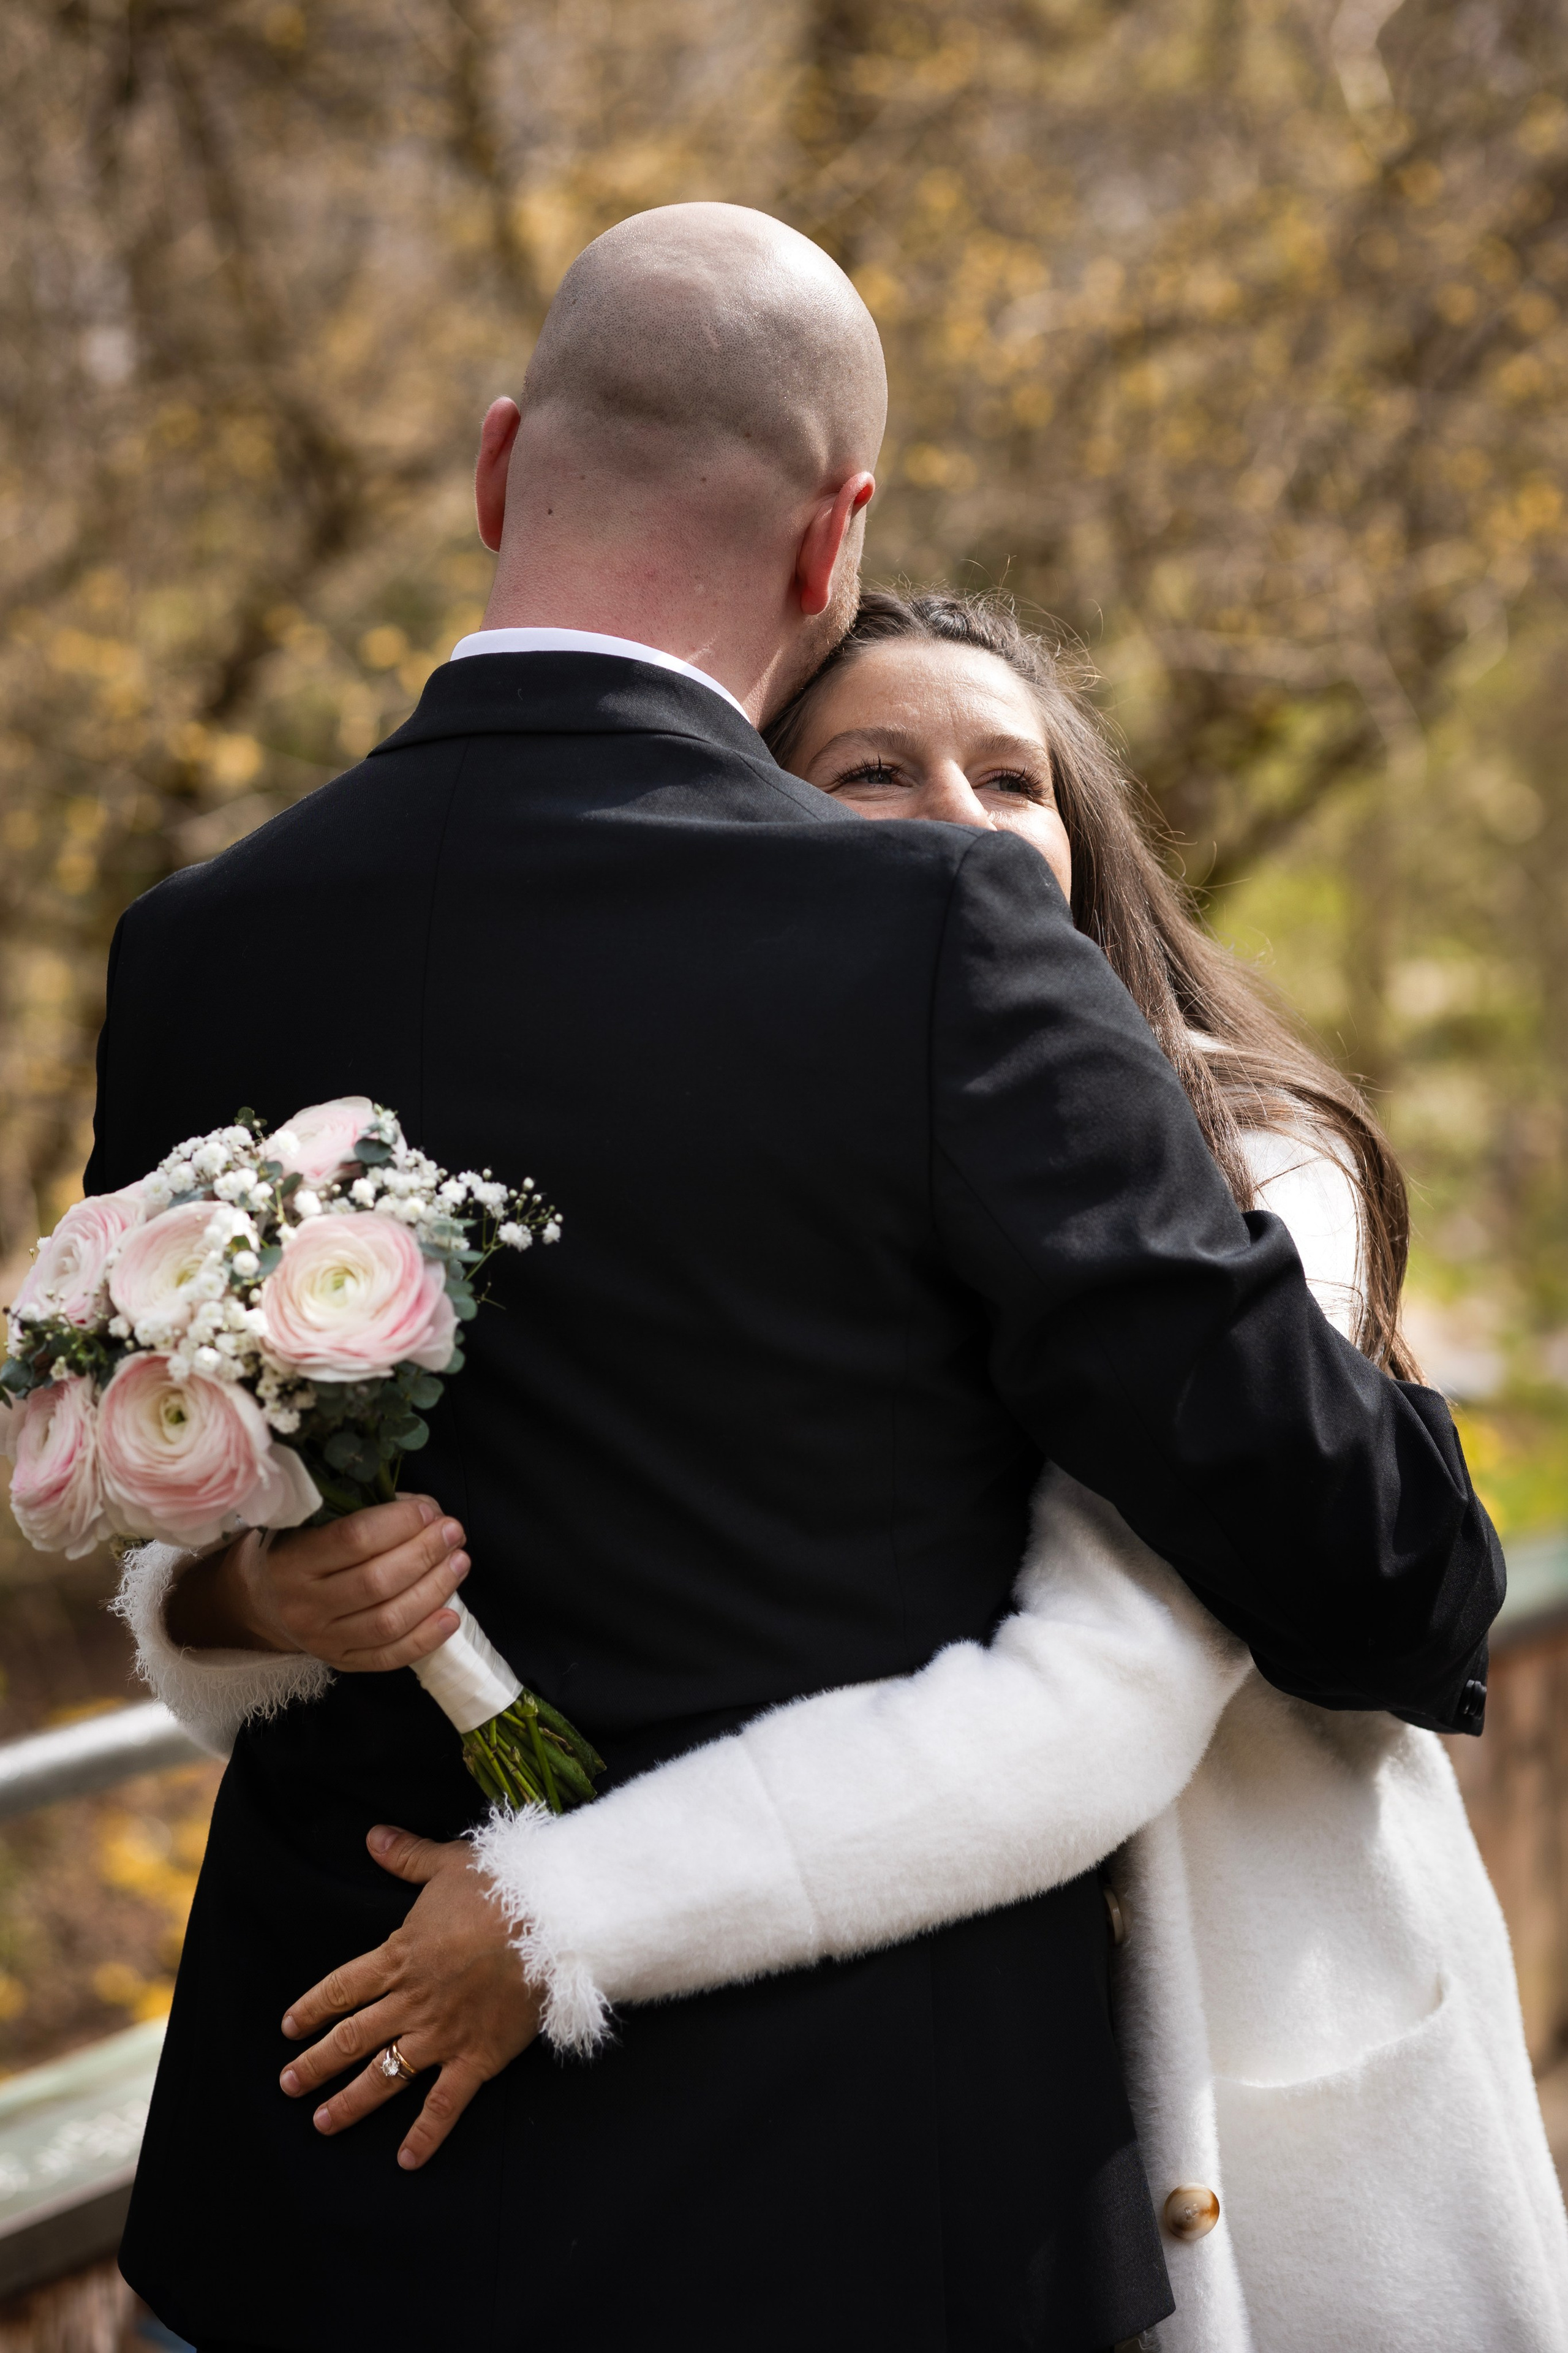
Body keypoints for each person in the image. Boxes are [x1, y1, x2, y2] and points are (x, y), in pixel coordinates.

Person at [96, 207, 1501, 2352]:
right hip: (843, 2211)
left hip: (314, 2190)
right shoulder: (934, 946)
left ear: (495, 472)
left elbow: (165, 1501)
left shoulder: (199, 949)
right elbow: (1373, 1568)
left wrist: (235, 1601)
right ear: (834, 538)